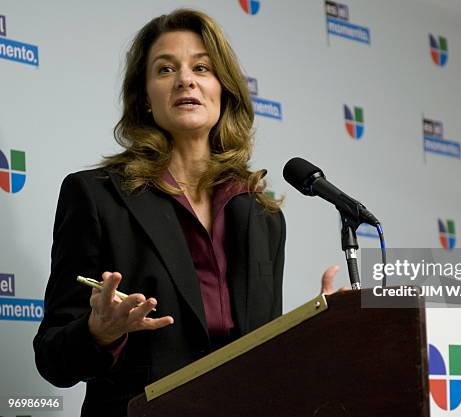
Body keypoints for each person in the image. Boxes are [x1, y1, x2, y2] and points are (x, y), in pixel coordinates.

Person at [33, 9, 339, 417]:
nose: (185, 79)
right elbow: (52, 359)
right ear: (144, 97)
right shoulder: (95, 196)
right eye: (165, 69)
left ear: (223, 89)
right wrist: (99, 331)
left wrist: (317, 330)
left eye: (202, 67)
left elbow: (260, 358)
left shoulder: (262, 215)